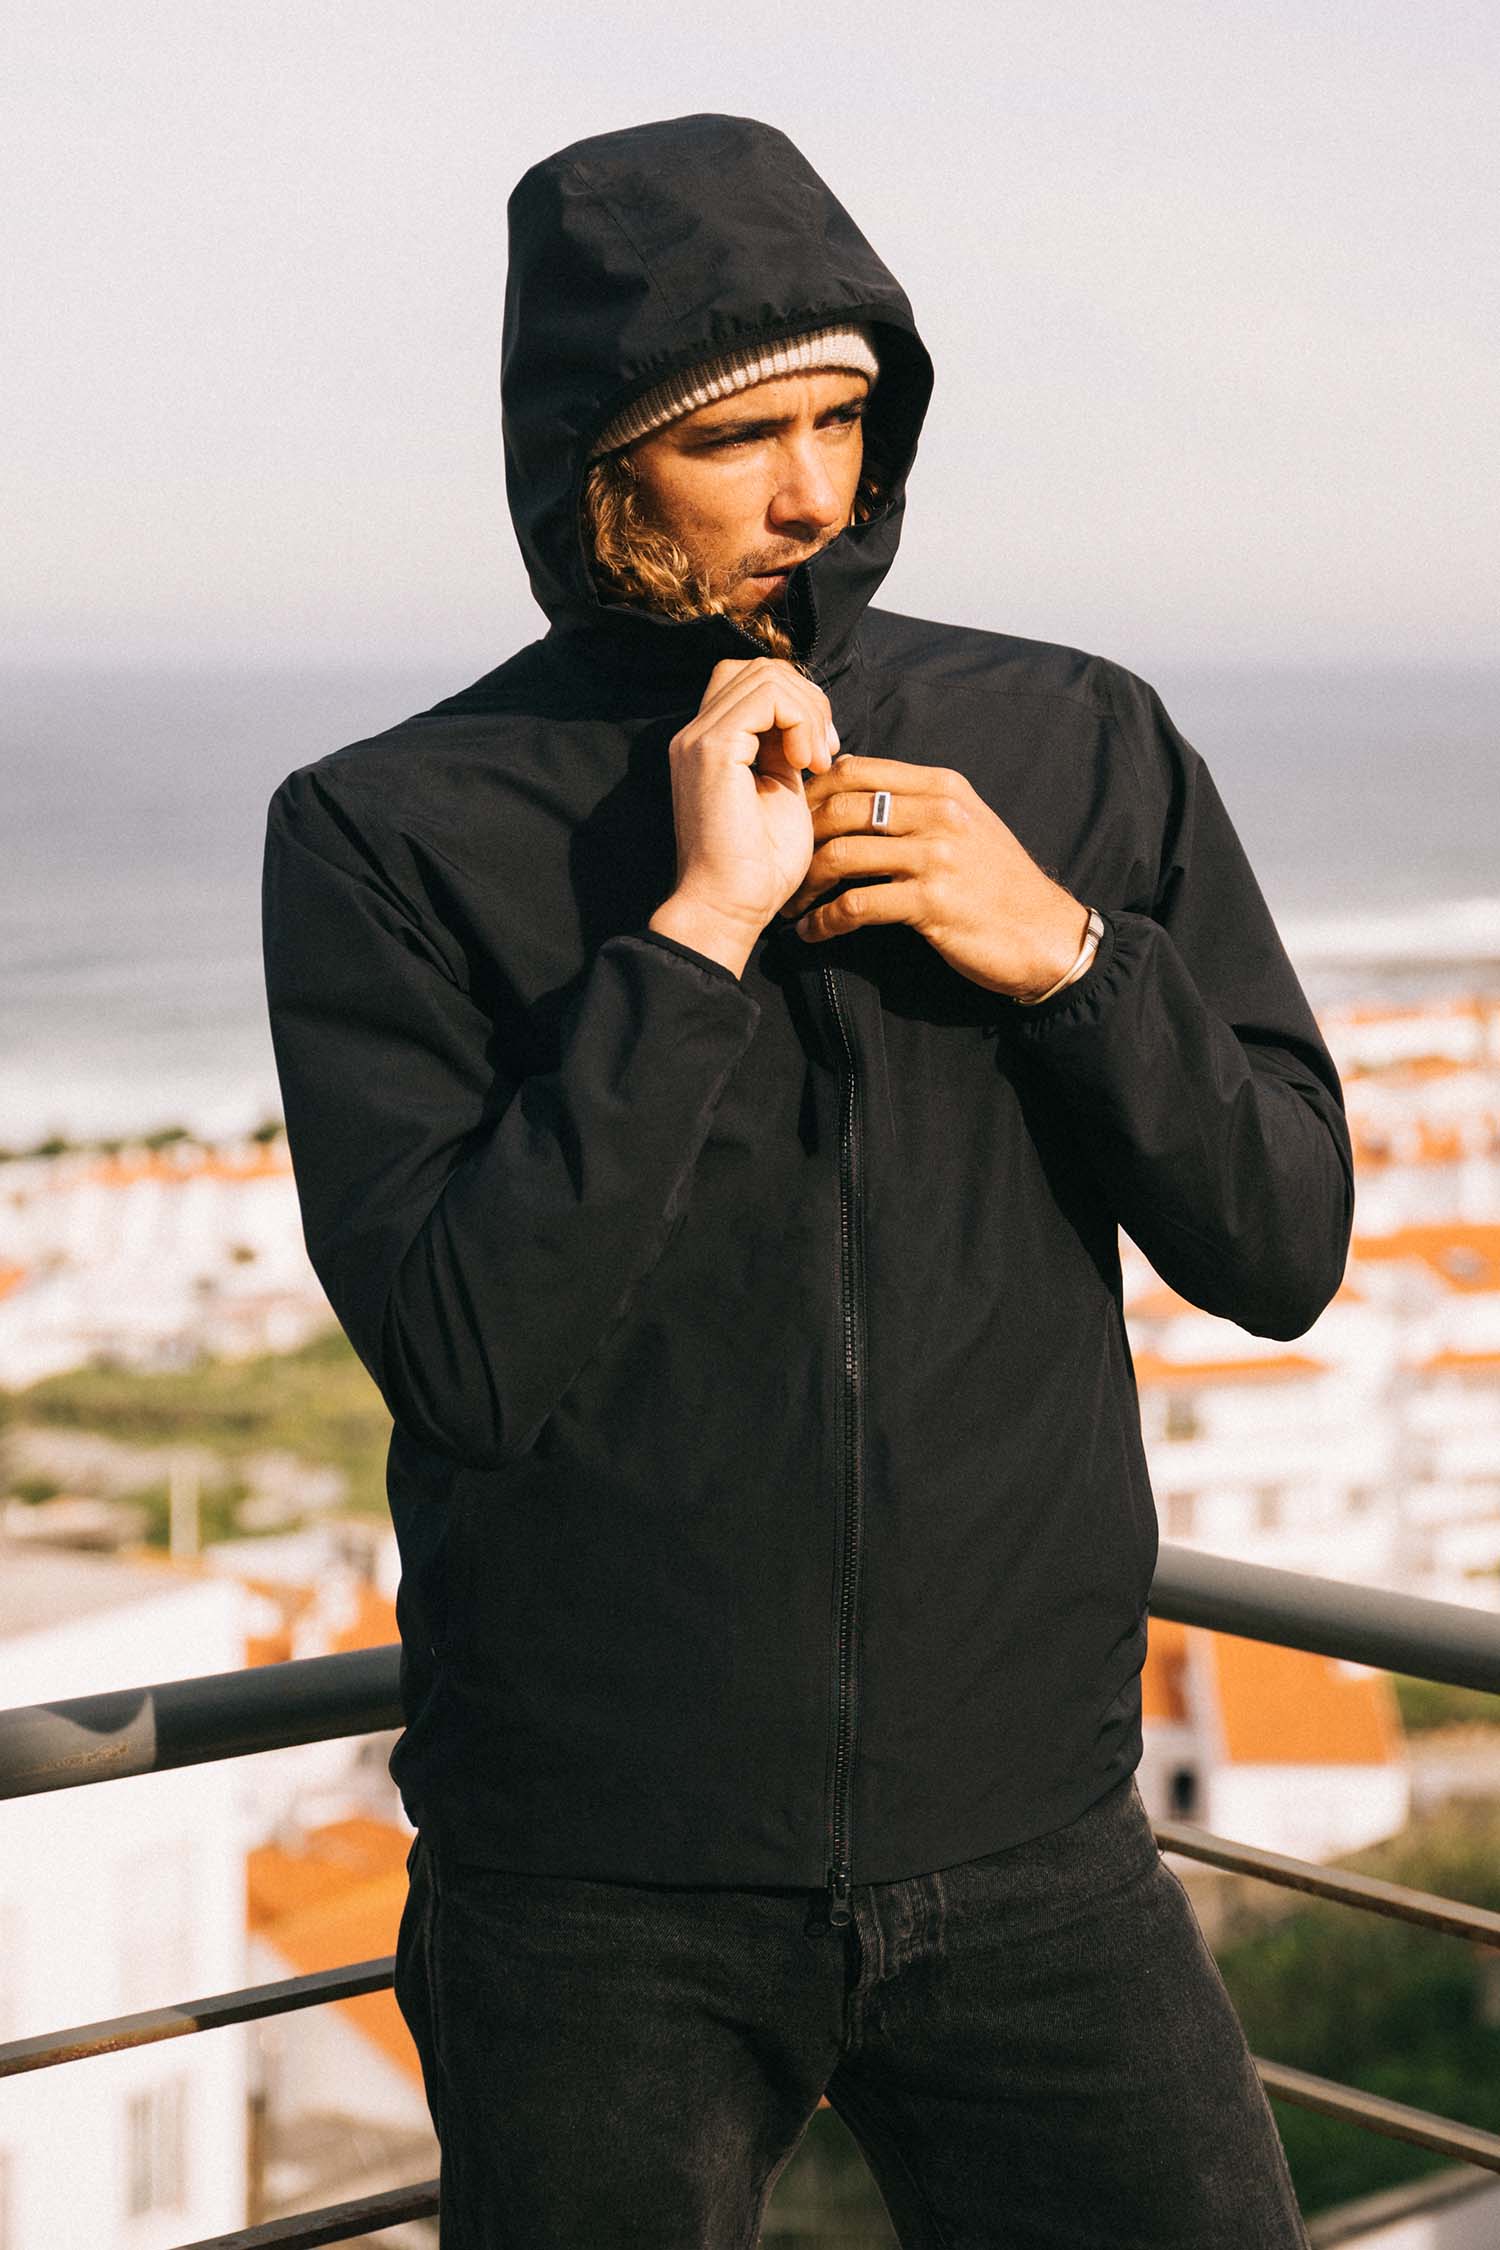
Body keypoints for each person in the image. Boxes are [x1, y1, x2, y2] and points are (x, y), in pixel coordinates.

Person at [262, 111, 1353, 2249]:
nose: (809, 493)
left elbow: (1288, 1239)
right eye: (734, 437)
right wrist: (687, 942)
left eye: (843, 417)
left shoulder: (1076, 742)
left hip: (1038, 1849)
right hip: (592, 1893)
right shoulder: (389, 829)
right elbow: (466, 1356)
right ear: (596, 464)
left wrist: (1067, 955)